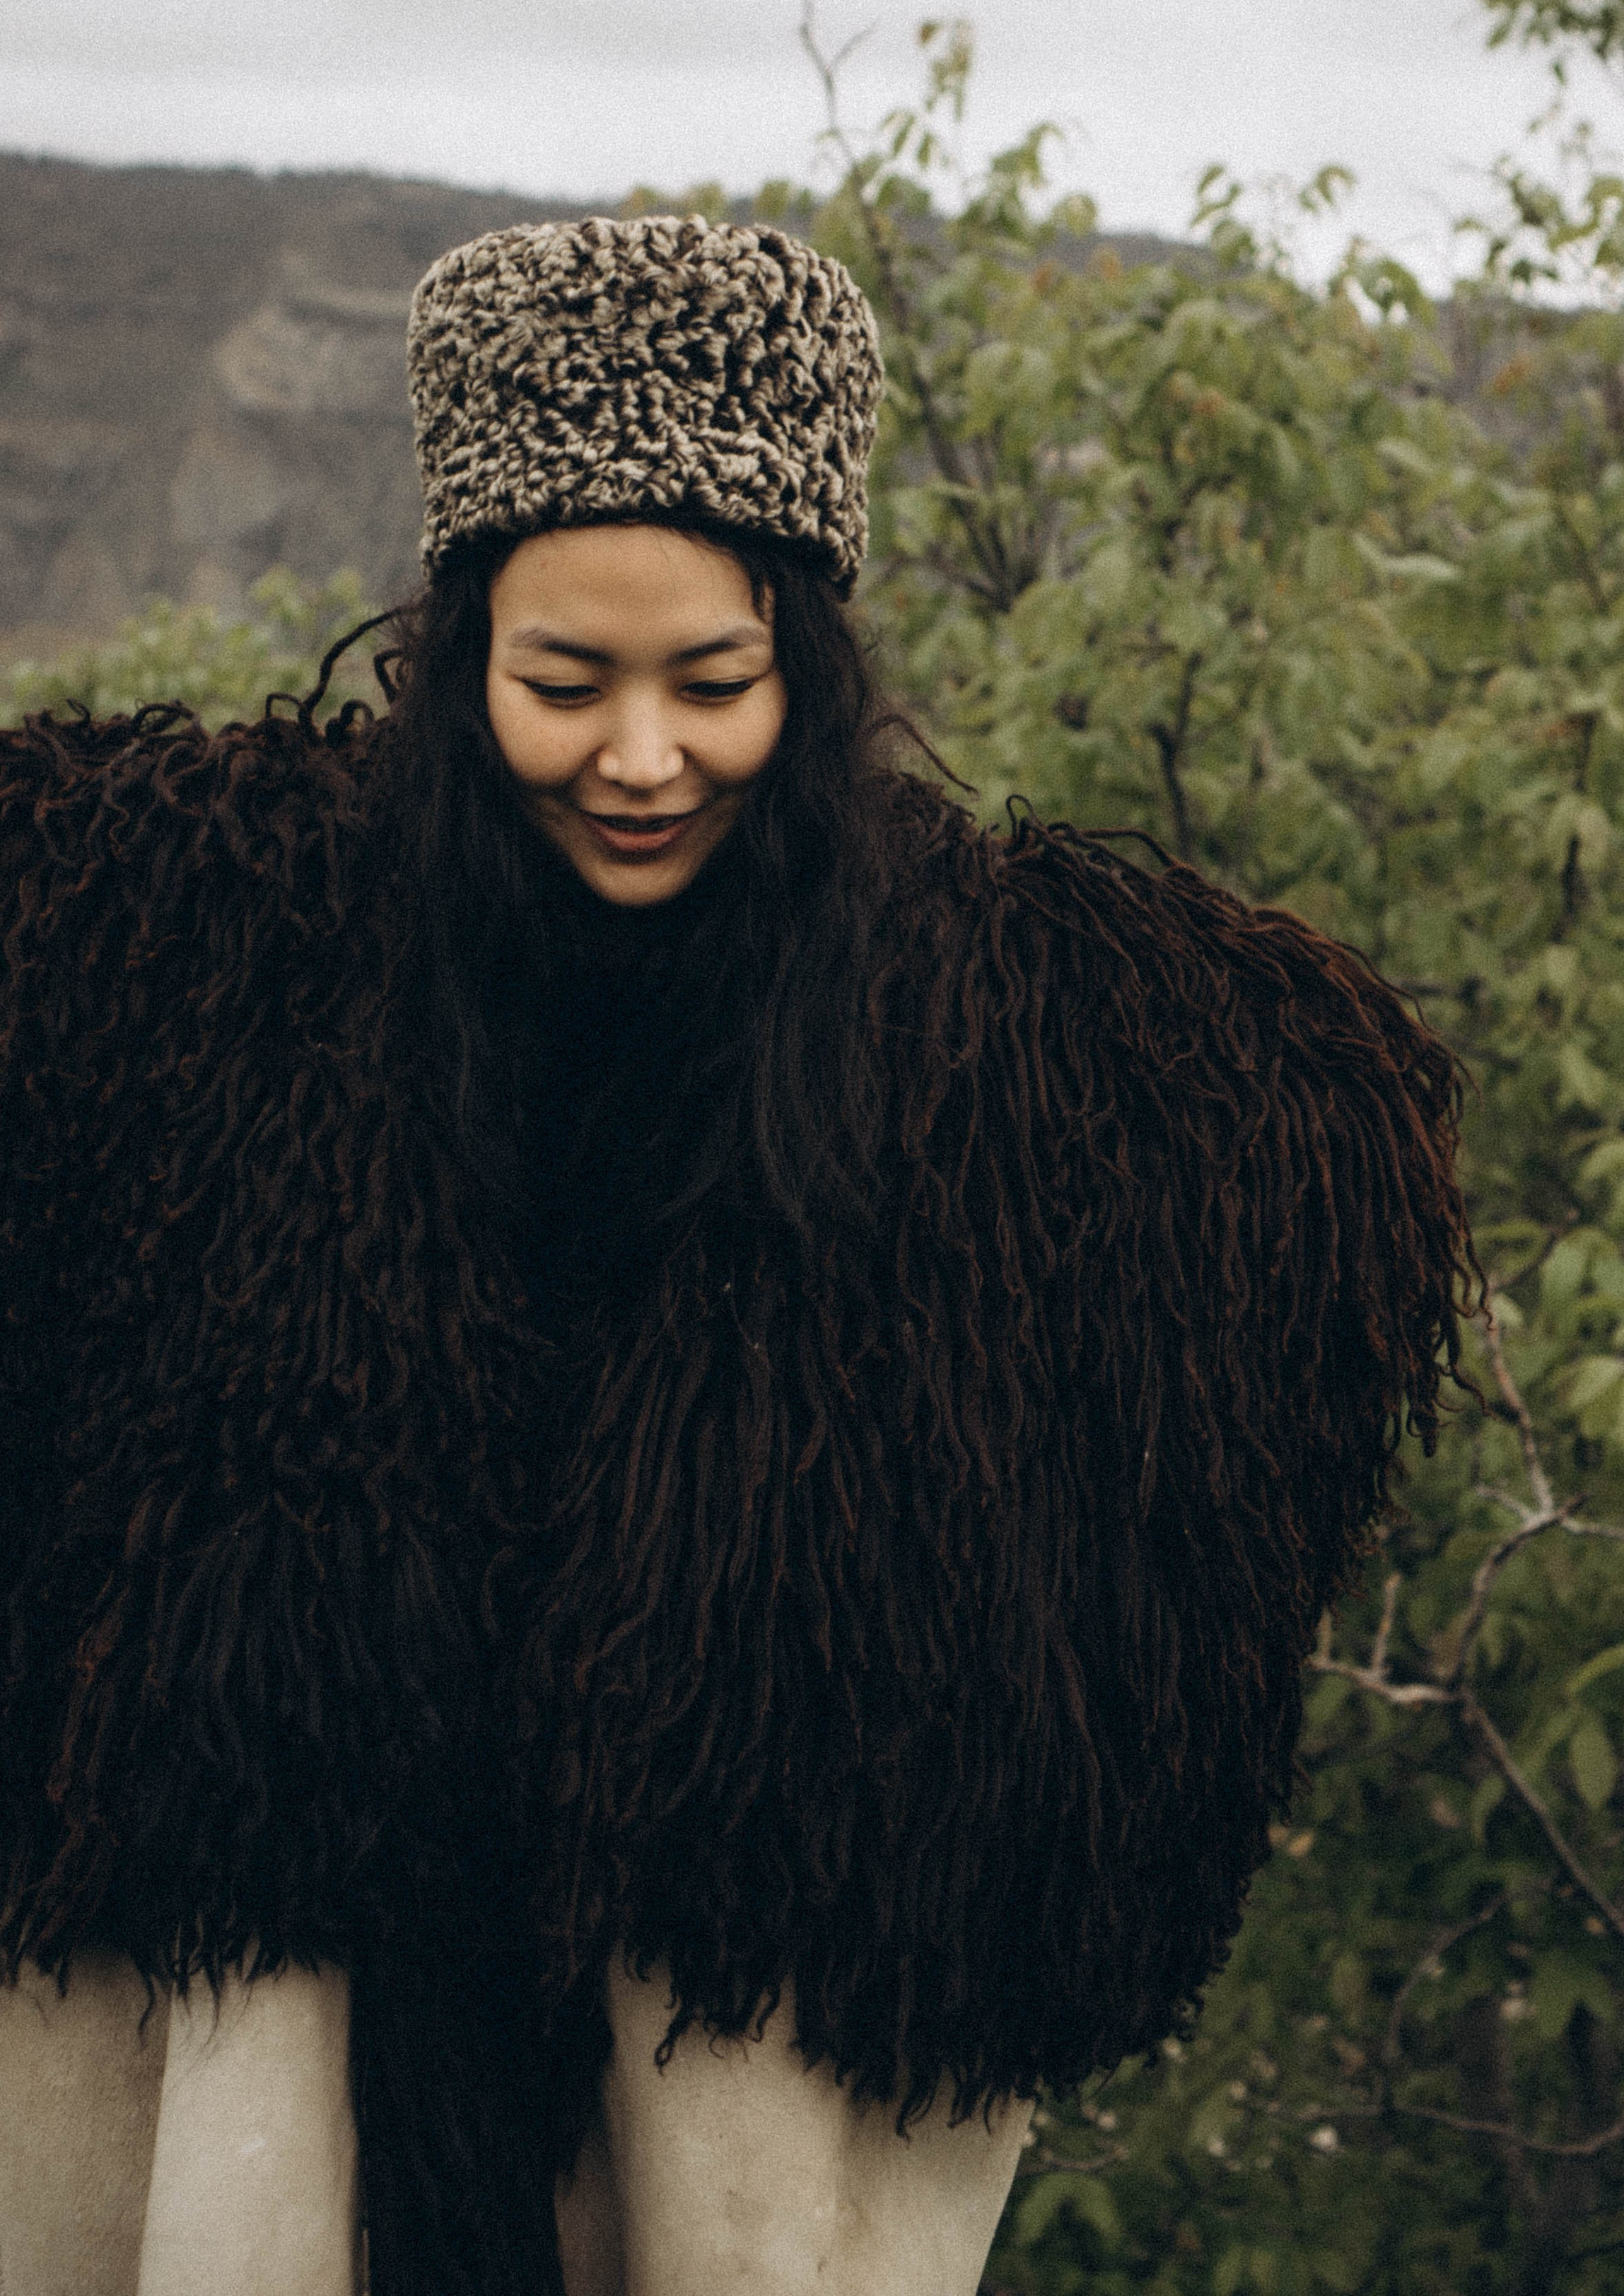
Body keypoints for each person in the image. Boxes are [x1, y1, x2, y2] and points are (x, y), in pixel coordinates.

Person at [0, 215, 1472, 2295]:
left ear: (809, 659)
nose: (639, 757)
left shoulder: (1003, 1078)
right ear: (454, 658)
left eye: (713, 681)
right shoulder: (198, 977)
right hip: (303, 2024)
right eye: (560, 682)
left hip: (691, 2054)